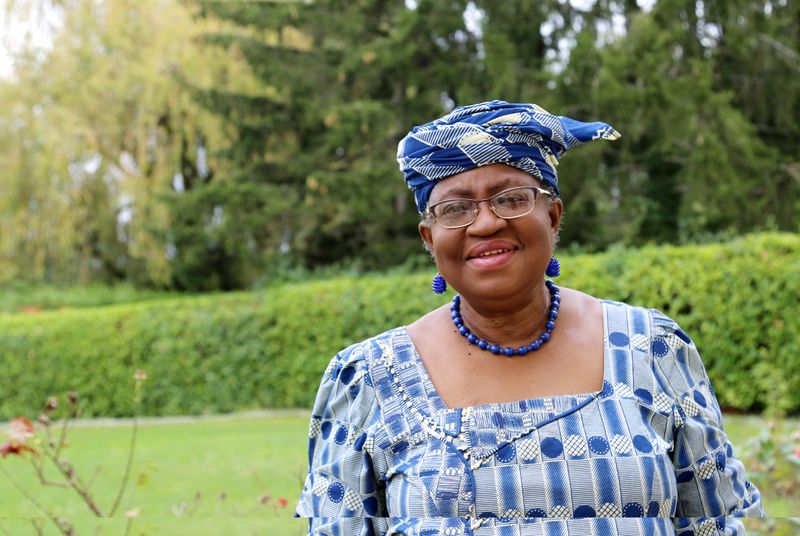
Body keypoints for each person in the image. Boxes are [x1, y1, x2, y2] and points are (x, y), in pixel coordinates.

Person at [295, 100, 763, 535]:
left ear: (554, 216)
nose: (485, 223)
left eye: (511, 198)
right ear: (429, 237)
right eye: (455, 208)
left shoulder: (652, 348)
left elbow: (715, 524)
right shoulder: (368, 380)